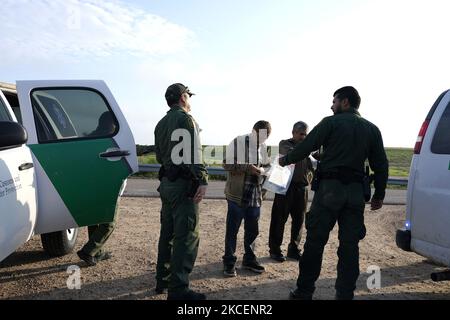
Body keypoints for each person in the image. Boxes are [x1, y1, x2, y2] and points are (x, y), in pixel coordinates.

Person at [279, 86, 389, 300]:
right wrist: (379, 195)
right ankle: (345, 295)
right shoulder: (372, 129)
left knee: (315, 243)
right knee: (350, 247)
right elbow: (381, 165)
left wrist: (285, 160)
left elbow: (306, 146)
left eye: (334, 101)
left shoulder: (330, 122)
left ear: (345, 102)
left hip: (329, 192)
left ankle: (304, 291)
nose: (332, 106)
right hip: (355, 194)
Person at [154, 83, 208, 301]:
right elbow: (195, 152)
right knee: (186, 236)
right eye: (189, 95)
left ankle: (163, 280)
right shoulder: (186, 119)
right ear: (183, 97)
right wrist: (202, 180)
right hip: (183, 186)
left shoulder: (160, 124)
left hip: (166, 183)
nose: (190, 100)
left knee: (167, 234)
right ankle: (178, 291)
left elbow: (159, 157)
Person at [222, 121, 272, 277]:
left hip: (255, 196)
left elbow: (268, 167)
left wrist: (262, 170)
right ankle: (229, 263)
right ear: (253, 131)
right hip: (237, 194)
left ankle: (249, 260)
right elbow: (226, 164)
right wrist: (247, 167)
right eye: (260, 136)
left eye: (266, 137)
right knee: (232, 231)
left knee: (252, 231)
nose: (262, 140)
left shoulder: (264, 148)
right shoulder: (238, 142)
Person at [77, 112, 119, 266]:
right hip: (106, 186)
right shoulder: (109, 140)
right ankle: (88, 251)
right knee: (109, 222)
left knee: (95, 220)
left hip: (90, 185)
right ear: (111, 124)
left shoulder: (92, 137)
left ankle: (98, 252)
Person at [269, 121, 313, 262]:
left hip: (302, 188)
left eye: (306, 134)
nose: (303, 137)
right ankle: (275, 250)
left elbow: (313, 162)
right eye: (301, 134)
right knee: (279, 219)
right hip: (285, 187)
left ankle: (293, 249)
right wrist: (309, 149)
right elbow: (293, 154)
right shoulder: (285, 144)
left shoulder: (307, 148)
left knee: (299, 221)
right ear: (293, 132)